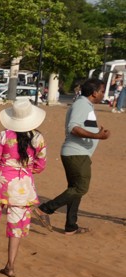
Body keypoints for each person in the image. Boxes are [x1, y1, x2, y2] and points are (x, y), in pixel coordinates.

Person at [0, 98, 47, 277]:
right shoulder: (38, 137)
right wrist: (26, 171)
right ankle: (10, 265)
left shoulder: (4, 135)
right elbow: (40, 165)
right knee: (16, 226)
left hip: (1, 182)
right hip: (24, 185)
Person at [37, 78, 111, 235]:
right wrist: (97, 136)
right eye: (102, 91)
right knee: (81, 188)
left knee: (74, 189)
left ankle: (71, 225)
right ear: (94, 92)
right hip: (76, 154)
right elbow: (73, 128)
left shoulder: (85, 105)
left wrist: (97, 135)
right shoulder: (82, 104)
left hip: (78, 154)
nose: (103, 94)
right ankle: (45, 209)